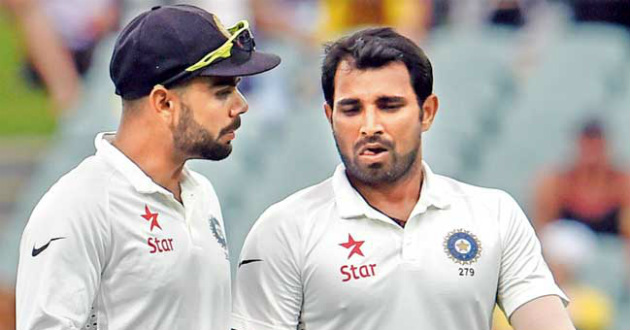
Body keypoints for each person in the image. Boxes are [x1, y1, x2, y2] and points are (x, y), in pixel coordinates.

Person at [231, 27, 574, 330]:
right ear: (329, 116)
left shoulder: (494, 214)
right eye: (351, 109)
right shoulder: (284, 228)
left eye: (389, 105)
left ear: (427, 112)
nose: (369, 125)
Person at [16, 4, 280, 330]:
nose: (241, 105)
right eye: (222, 91)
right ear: (163, 102)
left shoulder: (202, 194)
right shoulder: (78, 206)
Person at [533, 119, 630, 237]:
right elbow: (542, 231)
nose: (592, 156)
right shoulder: (556, 183)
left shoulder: (622, 184)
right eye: (588, 147)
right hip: (567, 247)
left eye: (597, 148)